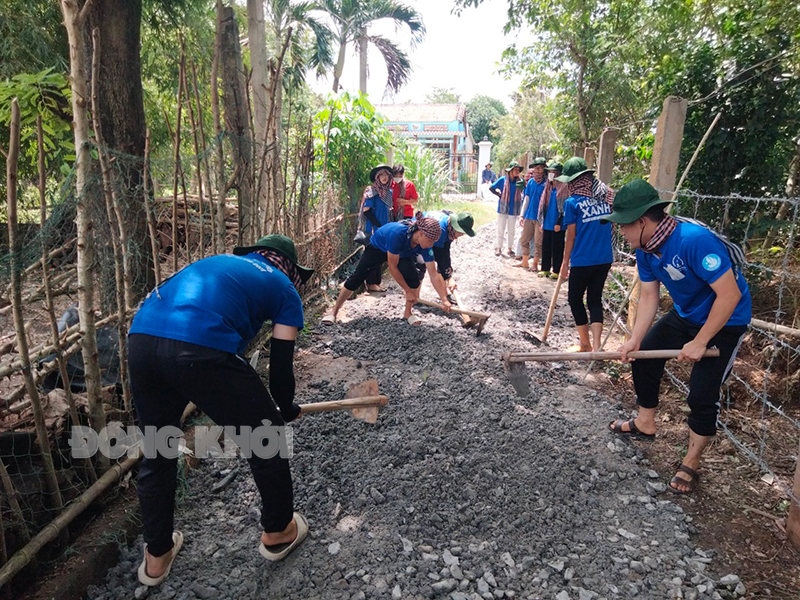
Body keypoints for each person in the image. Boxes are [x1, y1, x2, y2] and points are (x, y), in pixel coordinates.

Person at [127, 235, 314, 586]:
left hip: (141, 339)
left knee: (158, 448)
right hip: (200, 345)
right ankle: (279, 531)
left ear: (257, 254)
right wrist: (285, 408)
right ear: (289, 267)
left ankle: (156, 557)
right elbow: (281, 369)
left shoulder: (221, 264)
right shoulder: (284, 286)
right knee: (267, 437)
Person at [604, 179, 751, 494]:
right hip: (686, 314)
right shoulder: (645, 249)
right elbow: (648, 297)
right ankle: (645, 422)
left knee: (701, 392)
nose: (621, 233)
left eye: (624, 226)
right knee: (643, 356)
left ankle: (692, 460)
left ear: (643, 221)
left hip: (726, 319)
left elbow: (729, 295)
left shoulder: (694, 241)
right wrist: (634, 339)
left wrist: (701, 341)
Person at [323, 215, 451, 325]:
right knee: (356, 278)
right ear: (421, 233)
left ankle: (408, 313)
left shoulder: (425, 246)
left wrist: (444, 299)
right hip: (379, 247)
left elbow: (433, 274)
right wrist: (407, 291)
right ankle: (334, 311)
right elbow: (393, 267)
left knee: (414, 279)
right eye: (430, 241)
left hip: (402, 252)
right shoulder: (398, 234)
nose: (431, 245)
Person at [558, 157, 614, 352]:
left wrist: (565, 262)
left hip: (583, 259)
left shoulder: (572, 203)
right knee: (594, 299)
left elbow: (571, 236)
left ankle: (585, 344)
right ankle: (598, 346)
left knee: (574, 298)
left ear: (573, 181)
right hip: (605, 257)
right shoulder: (606, 195)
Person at [419, 210, 476, 292]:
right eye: (461, 232)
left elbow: (445, 252)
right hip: (419, 236)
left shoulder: (450, 230)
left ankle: (445, 295)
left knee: (443, 267)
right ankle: (415, 299)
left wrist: (448, 271)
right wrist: (449, 278)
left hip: (431, 238)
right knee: (421, 265)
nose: (462, 235)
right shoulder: (441, 230)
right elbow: (439, 255)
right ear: (456, 227)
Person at [359, 164, 394, 292]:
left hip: (383, 228)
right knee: (372, 255)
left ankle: (376, 282)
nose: (384, 178)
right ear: (377, 177)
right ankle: (371, 283)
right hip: (373, 229)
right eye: (381, 175)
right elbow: (366, 211)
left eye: (386, 175)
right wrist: (378, 226)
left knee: (380, 255)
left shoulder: (388, 192)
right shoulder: (372, 192)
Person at [538, 161, 569, 279]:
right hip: (547, 222)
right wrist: (542, 221)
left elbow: (564, 208)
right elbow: (543, 205)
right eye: (549, 172)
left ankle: (556, 270)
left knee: (557, 247)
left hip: (558, 223)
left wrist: (558, 222)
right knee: (545, 246)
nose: (551, 174)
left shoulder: (564, 187)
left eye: (553, 172)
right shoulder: (548, 186)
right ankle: (545, 268)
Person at [516, 157, 548, 270]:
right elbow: (527, 198)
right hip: (529, 215)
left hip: (540, 217)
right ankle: (525, 261)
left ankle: (535, 264)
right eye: (536, 168)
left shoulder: (547, 183)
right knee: (524, 239)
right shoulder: (530, 182)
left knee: (538, 242)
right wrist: (522, 215)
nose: (538, 171)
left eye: (541, 168)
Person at [490, 161, 524, 257]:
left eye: (518, 170)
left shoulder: (520, 181)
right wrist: (499, 195)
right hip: (503, 208)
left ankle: (510, 248)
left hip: (513, 209)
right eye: (515, 170)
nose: (517, 172)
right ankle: (499, 248)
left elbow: (523, 191)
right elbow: (491, 188)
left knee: (511, 230)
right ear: (510, 171)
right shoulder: (503, 180)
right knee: (501, 229)